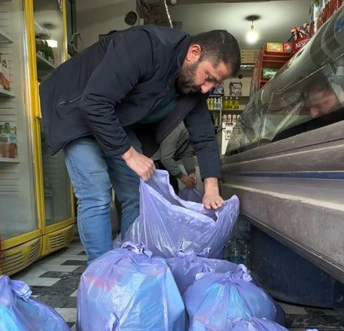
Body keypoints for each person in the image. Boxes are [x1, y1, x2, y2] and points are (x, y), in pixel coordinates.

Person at [39, 26, 240, 261]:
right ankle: (102, 272)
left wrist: (212, 188)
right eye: (208, 77)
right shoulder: (145, 46)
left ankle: (131, 260)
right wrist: (130, 155)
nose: (206, 88)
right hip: (76, 110)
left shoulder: (193, 86)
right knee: (96, 194)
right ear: (194, 53)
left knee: (136, 192)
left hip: (115, 119)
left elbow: (204, 135)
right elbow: (94, 103)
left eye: (213, 84)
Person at [151, 122, 196, 194]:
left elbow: (187, 153)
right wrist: (181, 176)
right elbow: (166, 158)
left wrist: (191, 172)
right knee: (161, 191)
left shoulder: (192, 133)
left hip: (164, 159)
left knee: (173, 189)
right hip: (154, 158)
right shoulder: (177, 128)